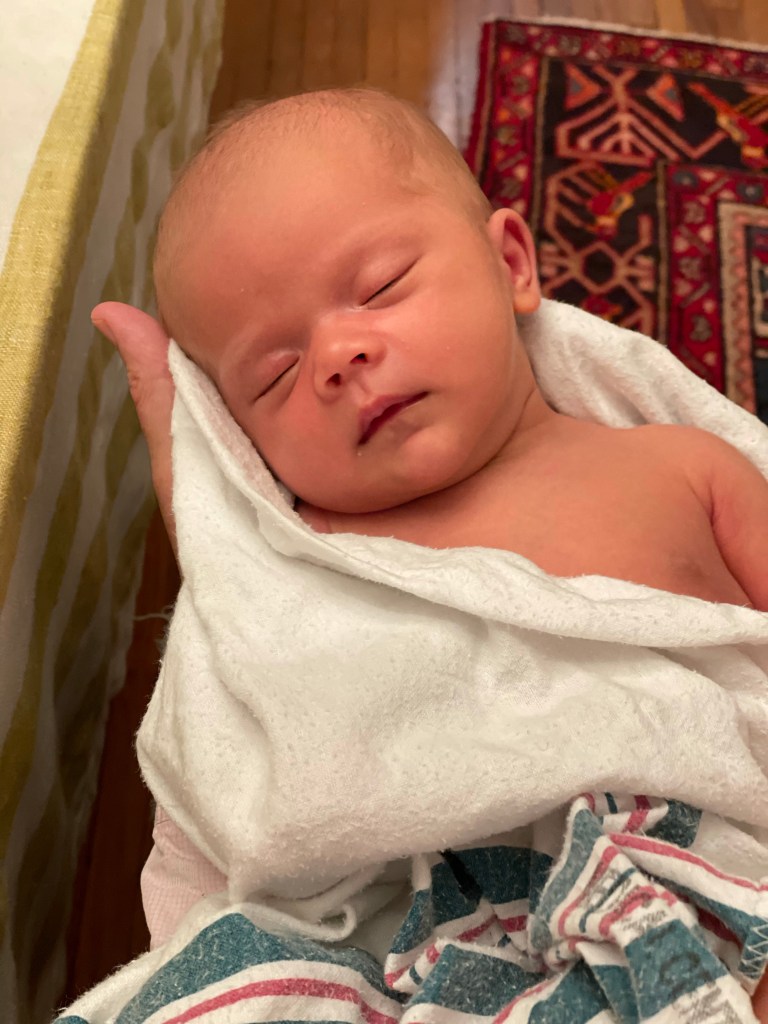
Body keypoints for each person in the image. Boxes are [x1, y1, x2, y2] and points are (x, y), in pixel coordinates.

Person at [92, 88, 768, 1019]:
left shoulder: (681, 466)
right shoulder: (315, 563)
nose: (338, 354)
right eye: (276, 374)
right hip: (438, 945)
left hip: (712, 877)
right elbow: (258, 745)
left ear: (511, 264)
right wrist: (216, 539)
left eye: (378, 288)